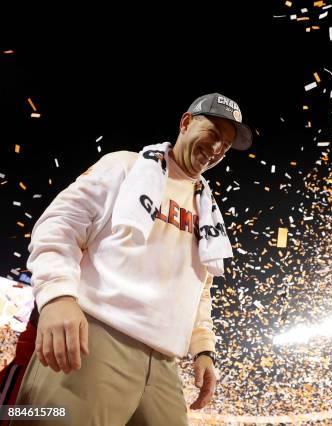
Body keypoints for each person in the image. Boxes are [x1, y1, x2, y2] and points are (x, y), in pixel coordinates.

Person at [10, 93, 252, 426]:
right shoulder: (126, 166)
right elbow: (59, 226)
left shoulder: (208, 209)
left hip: (165, 362)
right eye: (213, 133)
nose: (216, 149)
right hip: (95, 340)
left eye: (225, 144)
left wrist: (203, 349)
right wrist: (58, 297)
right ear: (185, 123)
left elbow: (199, 288)